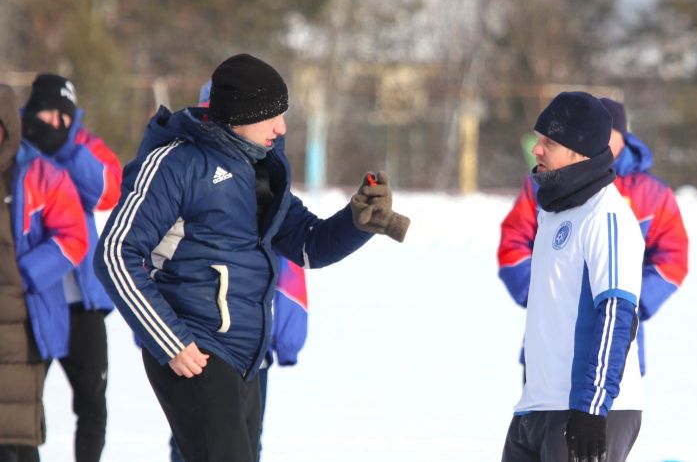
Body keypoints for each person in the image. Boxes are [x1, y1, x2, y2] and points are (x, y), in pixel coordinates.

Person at [94, 53, 410, 462]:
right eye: (271, 116)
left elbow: (308, 244)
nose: (281, 128)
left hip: (247, 359)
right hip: (197, 350)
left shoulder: (261, 170)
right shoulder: (175, 164)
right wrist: (172, 341)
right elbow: (114, 254)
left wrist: (357, 222)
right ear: (240, 114)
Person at [168, 83, 310, 462]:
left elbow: (290, 263)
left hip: (251, 345)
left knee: (243, 443)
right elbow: (146, 259)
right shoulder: (184, 168)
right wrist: (161, 335)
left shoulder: (267, 179)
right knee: (196, 444)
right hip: (197, 344)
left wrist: (286, 335)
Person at [500, 91, 644, 462]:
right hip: (538, 405)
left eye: (550, 142)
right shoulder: (553, 212)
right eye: (538, 139)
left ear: (580, 153)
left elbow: (615, 316)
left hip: (586, 410)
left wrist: (592, 407)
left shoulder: (606, 217)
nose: (536, 149)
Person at [498, 97, 689, 375]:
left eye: (608, 133)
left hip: (615, 341)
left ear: (623, 136)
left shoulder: (653, 194)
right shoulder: (543, 183)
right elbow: (513, 240)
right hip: (547, 341)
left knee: (601, 396)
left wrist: (631, 303)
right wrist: (539, 293)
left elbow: (673, 256)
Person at [21, 74, 122, 462]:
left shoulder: (84, 144)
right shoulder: (15, 142)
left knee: (93, 402)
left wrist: (65, 150)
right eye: (47, 113)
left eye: (63, 116)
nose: (55, 123)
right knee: (24, 401)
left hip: (84, 301)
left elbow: (108, 192)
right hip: (33, 297)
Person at [0, 84, 89, 462]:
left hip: (25, 322)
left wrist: (24, 276)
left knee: (17, 434)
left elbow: (74, 236)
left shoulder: (40, 174)